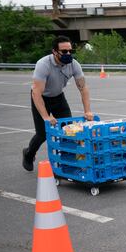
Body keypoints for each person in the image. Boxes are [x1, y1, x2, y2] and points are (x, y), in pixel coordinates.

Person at [22, 35, 93, 171]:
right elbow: (36, 93)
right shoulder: (43, 65)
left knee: (69, 131)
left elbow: (83, 87)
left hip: (59, 97)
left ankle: (68, 163)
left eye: (70, 51)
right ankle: (28, 154)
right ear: (55, 51)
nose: (68, 54)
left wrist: (87, 110)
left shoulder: (74, 64)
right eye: (64, 52)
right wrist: (46, 117)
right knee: (42, 134)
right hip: (41, 98)